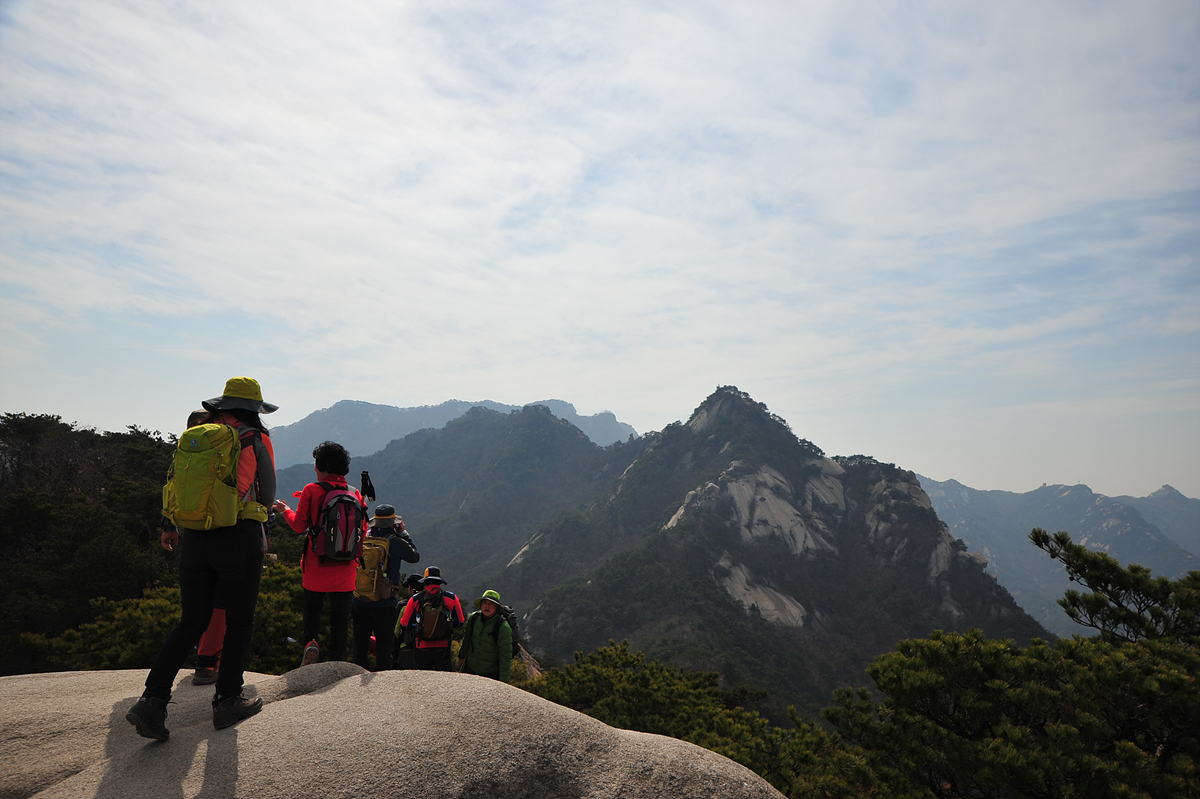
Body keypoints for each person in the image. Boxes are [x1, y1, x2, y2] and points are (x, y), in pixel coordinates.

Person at [126, 377, 277, 740]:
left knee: (190, 621)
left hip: (194, 537)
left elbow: (176, 486)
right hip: (237, 536)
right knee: (239, 621)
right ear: (253, 409)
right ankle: (227, 701)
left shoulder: (197, 436)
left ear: (223, 406)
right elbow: (267, 494)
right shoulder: (255, 438)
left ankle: (152, 701)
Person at [272, 441, 366, 667]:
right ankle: (337, 662)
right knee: (340, 619)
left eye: (316, 464)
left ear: (323, 466)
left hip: (316, 565)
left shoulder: (312, 490)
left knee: (313, 609)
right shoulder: (355, 493)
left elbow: (298, 526)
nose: (314, 469)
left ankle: (311, 645)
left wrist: (285, 510)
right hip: (346, 567)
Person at [350, 504, 419, 671]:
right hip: (384, 602)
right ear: (393, 523)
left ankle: (355, 682)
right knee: (384, 647)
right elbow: (414, 556)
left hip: (359, 599)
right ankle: (382, 685)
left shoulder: (363, 537)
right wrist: (403, 533)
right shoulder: (394, 541)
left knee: (360, 647)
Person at [396, 567, 464, 671]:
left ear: (425, 581)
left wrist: (419, 629)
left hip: (421, 646)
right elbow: (460, 622)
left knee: (423, 679)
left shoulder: (415, 599)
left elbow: (405, 624)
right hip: (443, 645)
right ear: (440, 581)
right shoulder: (451, 598)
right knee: (443, 680)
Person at [457, 589, 513, 683]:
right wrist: (461, 656)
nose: (487, 606)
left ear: (496, 607)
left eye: (491, 603)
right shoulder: (474, 618)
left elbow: (505, 657)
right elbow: (467, 638)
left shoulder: (503, 628)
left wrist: (504, 684)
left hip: (491, 674)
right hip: (470, 669)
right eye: (484, 602)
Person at [391, 573, 424, 669]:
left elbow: (396, 630)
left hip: (406, 647)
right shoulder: (429, 603)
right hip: (426, 648)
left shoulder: (403, 605)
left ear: (410, 588)